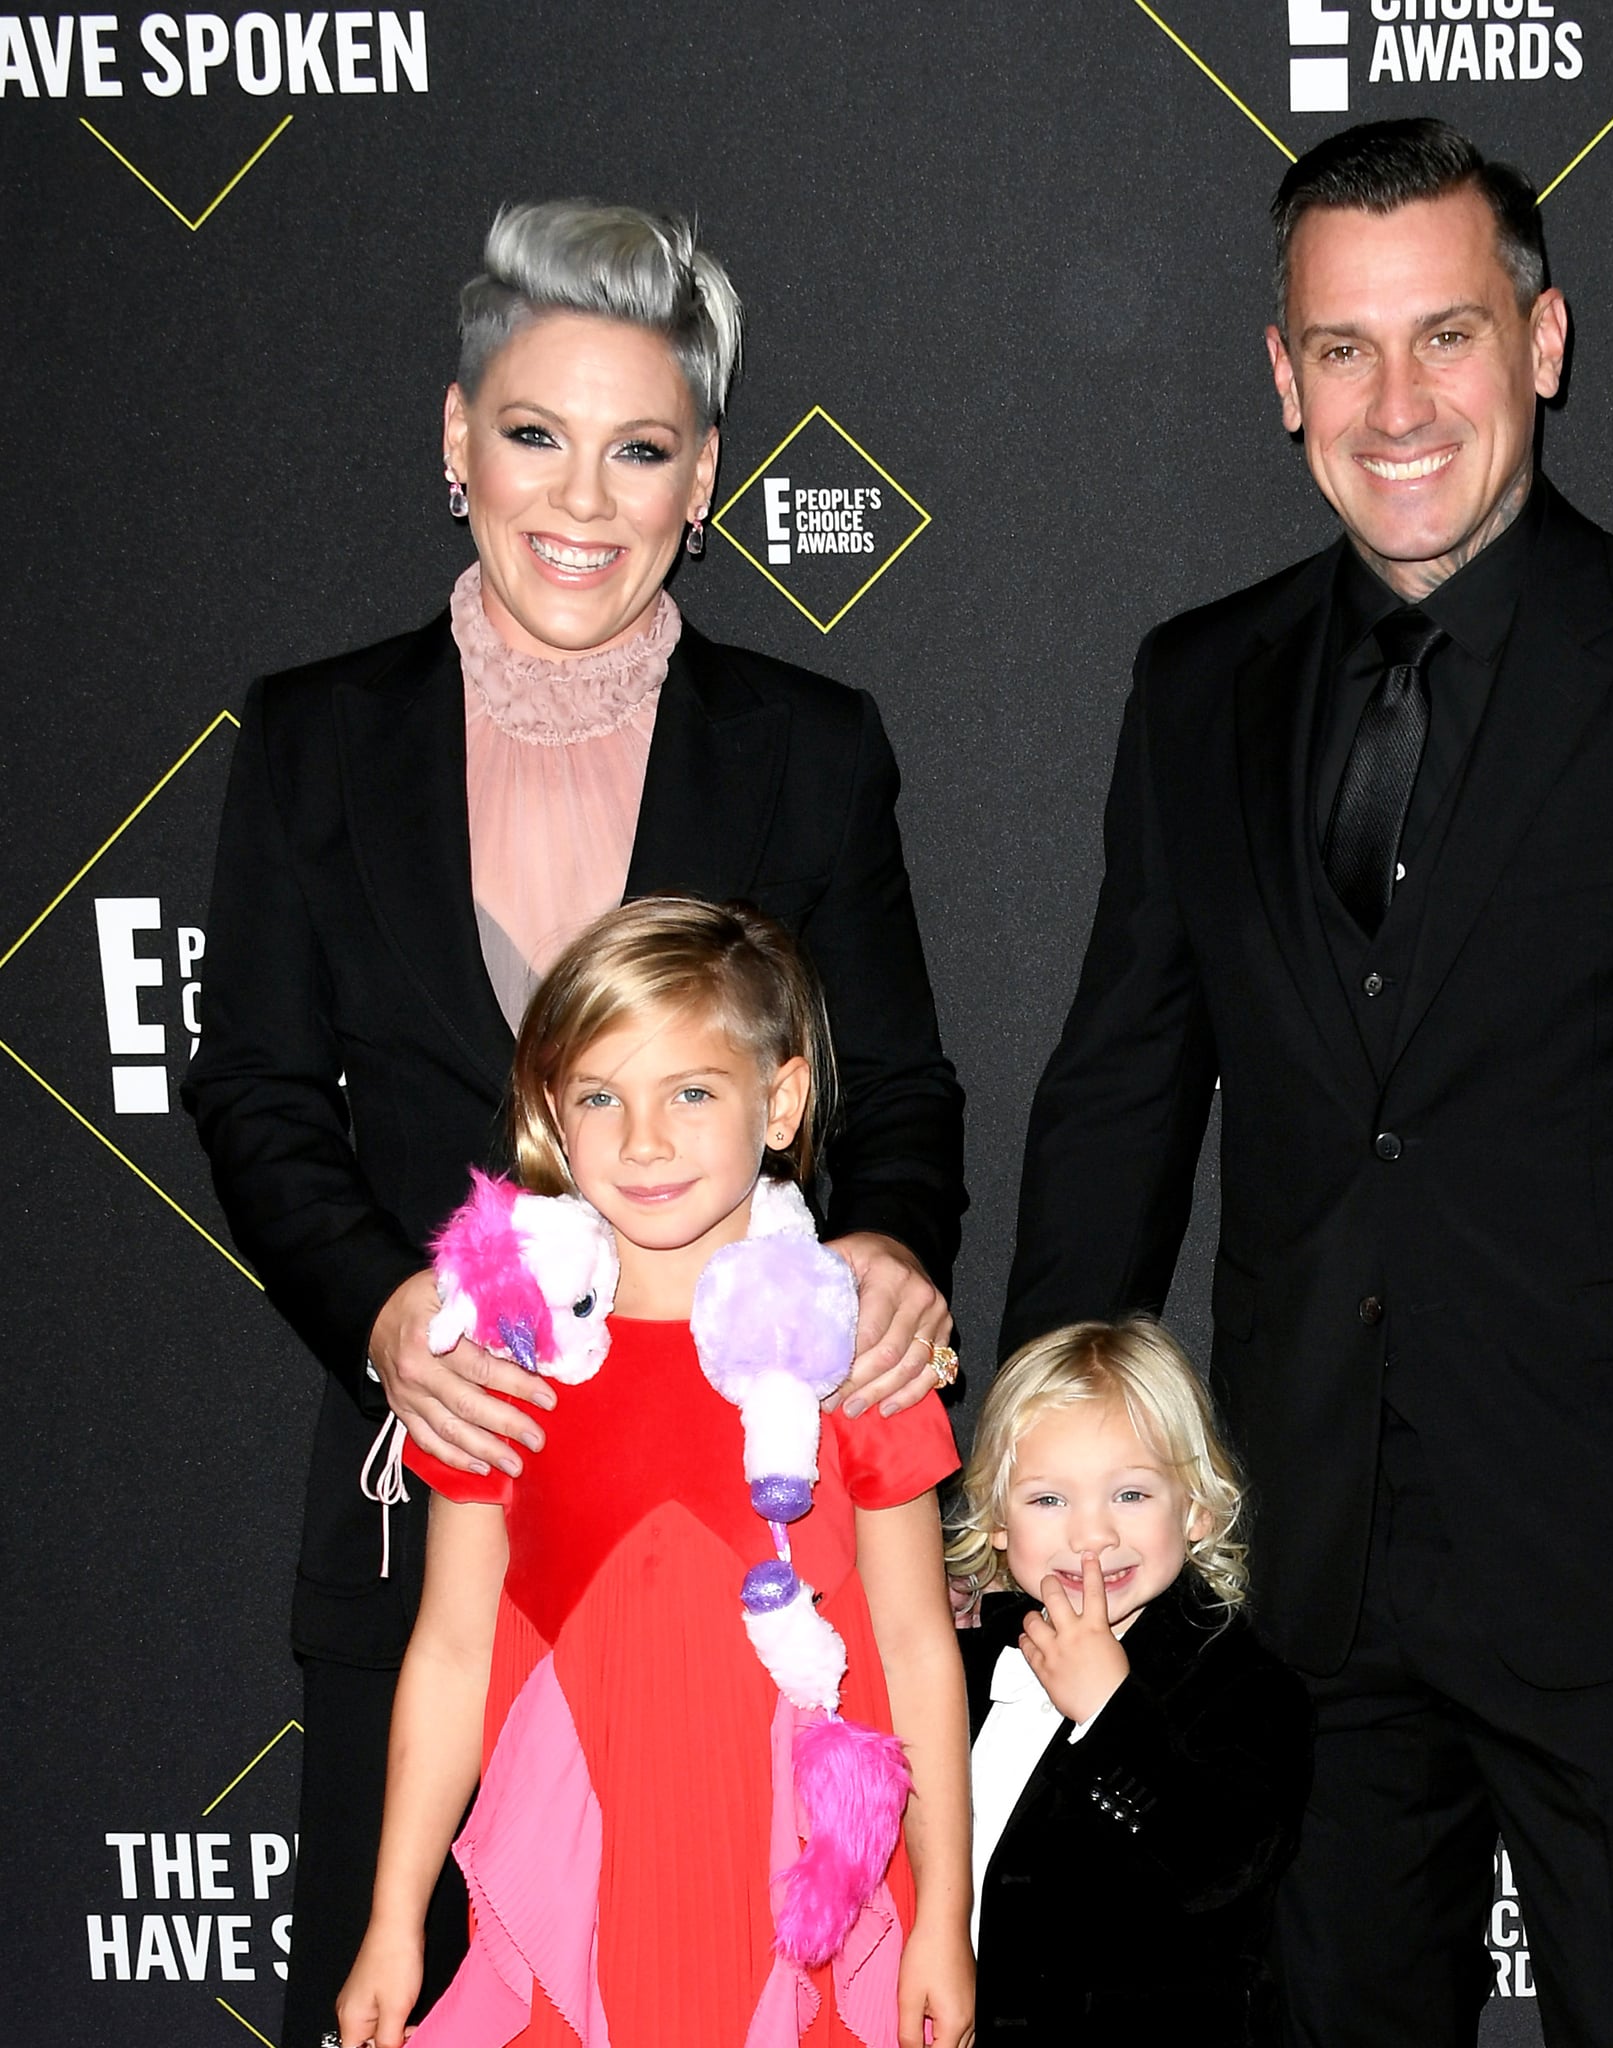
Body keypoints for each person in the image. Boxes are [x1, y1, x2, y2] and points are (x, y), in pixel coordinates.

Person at [1000, 118, 1613, 2047]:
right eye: (1341, 349)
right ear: (1278, 377)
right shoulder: (1195, 688)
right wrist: (1035, 1482)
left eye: (1444, 335)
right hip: (1296, 1565)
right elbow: (1118, 1093)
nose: (1395, 403)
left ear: (1541, 339)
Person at [184, 201, 967, 2047]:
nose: (581, 497)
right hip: (438, 1501)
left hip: (735, 1545)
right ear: (455, 439)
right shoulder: (313, 736)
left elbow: (905, 1085)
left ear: (703, 475)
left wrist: (888, 1244)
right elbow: (259, 1093)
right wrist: (389, 1314)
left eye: (639, 449)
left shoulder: (808, 742)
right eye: (534, 433)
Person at [334, 895, 975, 2048]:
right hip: (577, 1911)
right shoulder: (503, 1363)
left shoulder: (852, 1353)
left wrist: (947, 1917)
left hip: (811, 1923)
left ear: (778, 1102)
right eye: (599, 1095)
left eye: (690, 1091)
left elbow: (918, 1643)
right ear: (549, 1114)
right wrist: (392, 1916)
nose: (642, 1140)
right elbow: (449, 1648)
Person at [946, 1318, 1310, 2046]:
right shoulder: (965, 1665)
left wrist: (1111, 1712)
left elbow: (1222, 1864)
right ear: (996, 1522)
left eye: (1131, 1495)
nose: (1092, 1536)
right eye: (1048, 1500)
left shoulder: (1245, 1685)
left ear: (1199, 1508)